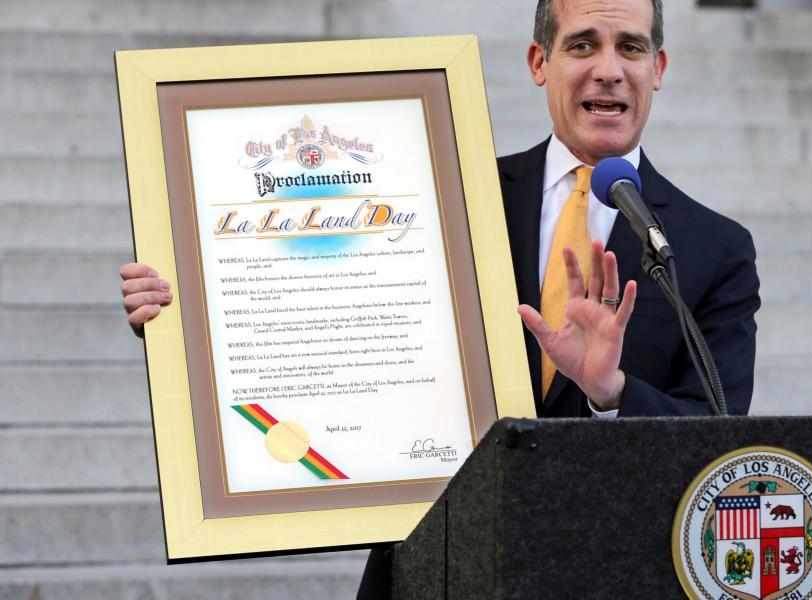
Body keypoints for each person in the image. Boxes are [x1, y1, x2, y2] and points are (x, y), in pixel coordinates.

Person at [120, 0, 760, 596]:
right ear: (540, 62)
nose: (609, 71)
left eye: (631, 47)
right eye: (582, 45)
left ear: (659, 68)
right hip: (440, 555)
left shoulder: (714, 248)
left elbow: (718, 439)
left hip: (604, 566)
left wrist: (610, 393)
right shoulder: (441, 186)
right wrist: (187, 305)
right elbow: (325, 297)